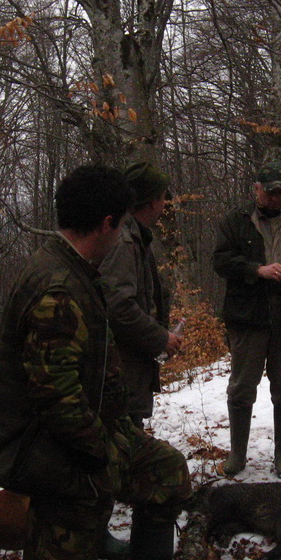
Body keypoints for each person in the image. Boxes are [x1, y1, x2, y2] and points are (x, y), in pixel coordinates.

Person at [0, 164, 210, 560]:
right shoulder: (57, 287)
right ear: (104, 223)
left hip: (93, 433)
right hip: (55, 449)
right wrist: (102, 459)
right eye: (118, 225)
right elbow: (58, 401)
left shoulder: (77, 271)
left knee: (164, 471)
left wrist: (117, 439)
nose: (119, 235)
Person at [212, 160, 281, 480]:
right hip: (247, 318)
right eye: (270, 192)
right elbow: (220, 262)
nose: (276, 198)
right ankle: (237, 456)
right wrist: (256, 270)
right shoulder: (235, 222)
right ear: (256, 189)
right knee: (242, 388)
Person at [98, 163, 178, 429]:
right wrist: (160, 338)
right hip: (120, 373)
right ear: (152, 201)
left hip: (129, 372)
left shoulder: (136, 237)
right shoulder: (124, 241)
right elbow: (117, 306)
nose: (165, 203)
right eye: (163, 196)